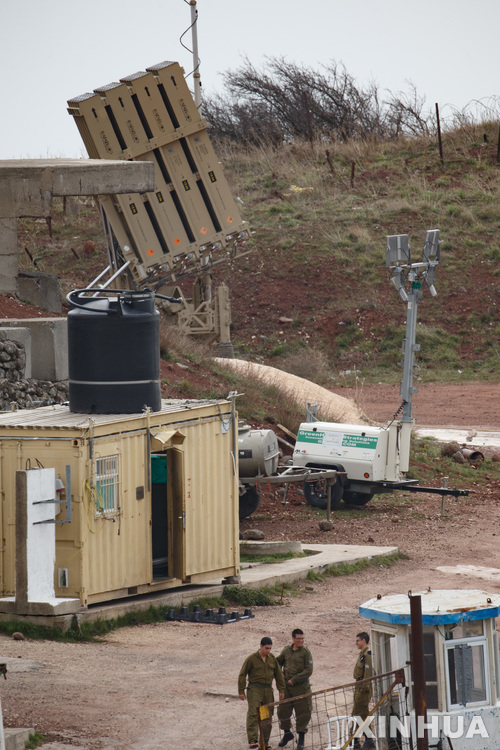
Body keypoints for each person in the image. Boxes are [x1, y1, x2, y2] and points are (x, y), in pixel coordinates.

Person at [238, 636, 286, 750]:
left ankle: (265, 742)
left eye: (270, 648)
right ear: (260, 646)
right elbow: (242, 674)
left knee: (267, 716)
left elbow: (278, 675)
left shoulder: (272, 658)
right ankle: (253, 740)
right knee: (253, 713)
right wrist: (241, 691)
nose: (268, 651)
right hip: (255, 689)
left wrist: (281, 690)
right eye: (266, 648)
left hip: (268, 690)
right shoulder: (251, 659)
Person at [276, 628, 313, 750]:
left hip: (301, 687)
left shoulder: (306, 652)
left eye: (302, 638)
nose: (301, 641)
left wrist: (295, 679)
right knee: (283, 711)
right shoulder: (287, 650)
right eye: (298, 639)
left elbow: (309, 670)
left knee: (303, 713)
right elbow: (277, 662)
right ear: (293, 638)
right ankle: (287, 734)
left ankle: (301, 739)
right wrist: (281, 674)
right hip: (287, 688)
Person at [352, 631, 375, 749]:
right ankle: (363, 740)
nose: (356, 643)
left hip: (363, 688)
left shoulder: (368, 655)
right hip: (359, 686)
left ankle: (357, 739)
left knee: (357, 714)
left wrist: (364, 689)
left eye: (358, 641)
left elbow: (367, 674)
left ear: (363, 641)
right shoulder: (362, 654)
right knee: (361, 714)